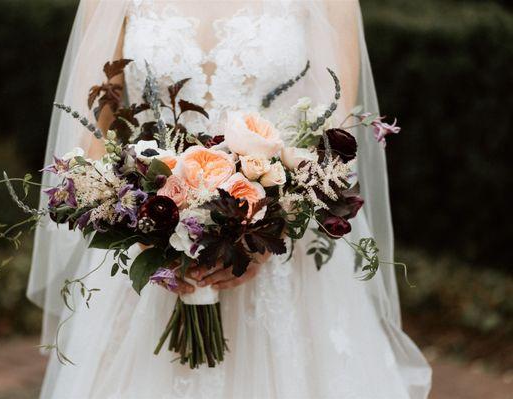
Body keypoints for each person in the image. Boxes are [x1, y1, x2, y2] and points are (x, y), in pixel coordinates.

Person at [30, 1, 432, 397]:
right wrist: (137, 220)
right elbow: (97, 127)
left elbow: (332, 140)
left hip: (281, 257)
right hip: (150, 246)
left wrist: (272, 230)